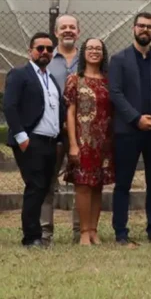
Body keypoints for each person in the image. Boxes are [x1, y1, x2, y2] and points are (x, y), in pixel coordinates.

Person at [109, 13, 151, 245]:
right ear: (133, 29)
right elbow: (115, 93)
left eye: (149, 26)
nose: (145, 30)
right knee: (123, 184)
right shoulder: (119, 59)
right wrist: (136, 118)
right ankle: (120, 232)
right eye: (141, 26)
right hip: (128, 131)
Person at [3, 32, 65, 247]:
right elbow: (9, 106)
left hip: (50, 142)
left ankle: (37, 233)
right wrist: (21, 137)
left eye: (49, 49)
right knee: (35, 186)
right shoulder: (19, 74)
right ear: (31, 51)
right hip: (31, 141)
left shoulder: (51, 79)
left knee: (44, 187)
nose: (45, 52)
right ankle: (31, 237)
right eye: (40, 48)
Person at [63, 38, 114, 245]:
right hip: (83, 141)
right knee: (83, 185)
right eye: (90, 48)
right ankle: (83, 231)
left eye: (98, 49)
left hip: (104, 142)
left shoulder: (109, 81)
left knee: (98, 185)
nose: (94, 51)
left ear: (103, 54)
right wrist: (73, 144)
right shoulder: (75, 79)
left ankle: (94, 229)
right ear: (83, 52)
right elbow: (70, 113)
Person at [44, 14, 81, 243]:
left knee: (83, 183)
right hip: (52, 130)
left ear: (78, 32)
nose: (68, 30)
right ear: (56, 32)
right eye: (63, 27)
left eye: (72, 27)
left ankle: (80, 231)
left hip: (83, 133)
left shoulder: (88, 59)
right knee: (47, 181)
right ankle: (45, 231)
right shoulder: (45, 59)